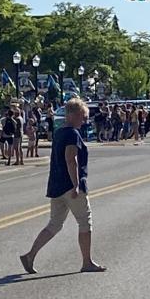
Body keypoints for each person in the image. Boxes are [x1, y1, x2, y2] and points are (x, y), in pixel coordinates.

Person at [18, 98, 105, 275]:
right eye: (82, 116)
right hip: (70, 186)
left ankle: (30, 255)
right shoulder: (72, 134)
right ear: (72, 115)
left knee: (55, 224)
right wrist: (76, 185)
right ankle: (87, 262)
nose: (84, 120)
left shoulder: (59, 133)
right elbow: (71, 159)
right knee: (85, 222)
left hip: (56, 185)